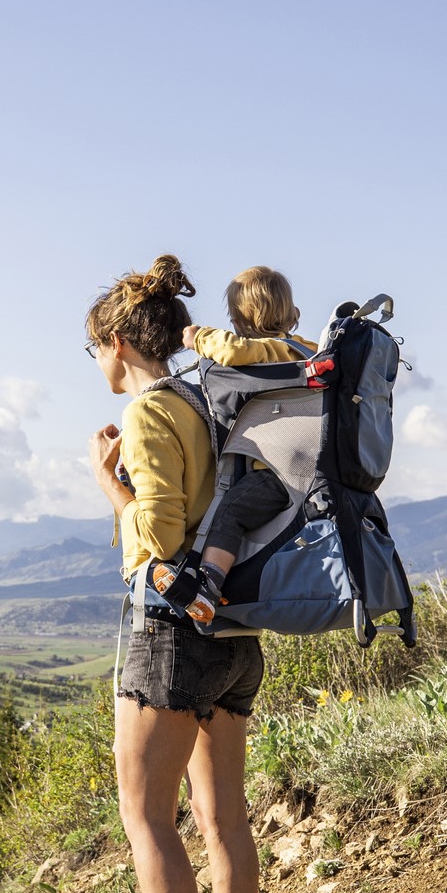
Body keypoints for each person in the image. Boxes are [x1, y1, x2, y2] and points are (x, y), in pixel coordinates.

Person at [85, 254, 264, 893]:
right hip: (232, 635)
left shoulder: (155, 411)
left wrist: (111, 489)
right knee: (223, 818)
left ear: (119, 342)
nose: (96, 363)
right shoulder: (205, 398)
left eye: (94, 349)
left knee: (146, 817)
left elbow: (157, 534)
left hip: (169, 635)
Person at [146, 265, 317, 629]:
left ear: (242, 319)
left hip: (277, 475)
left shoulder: (268, 350)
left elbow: (231, 351)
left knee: (231, 511)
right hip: (313, 471)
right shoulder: (310, 352)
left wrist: (196, 336)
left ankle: (207, 586)